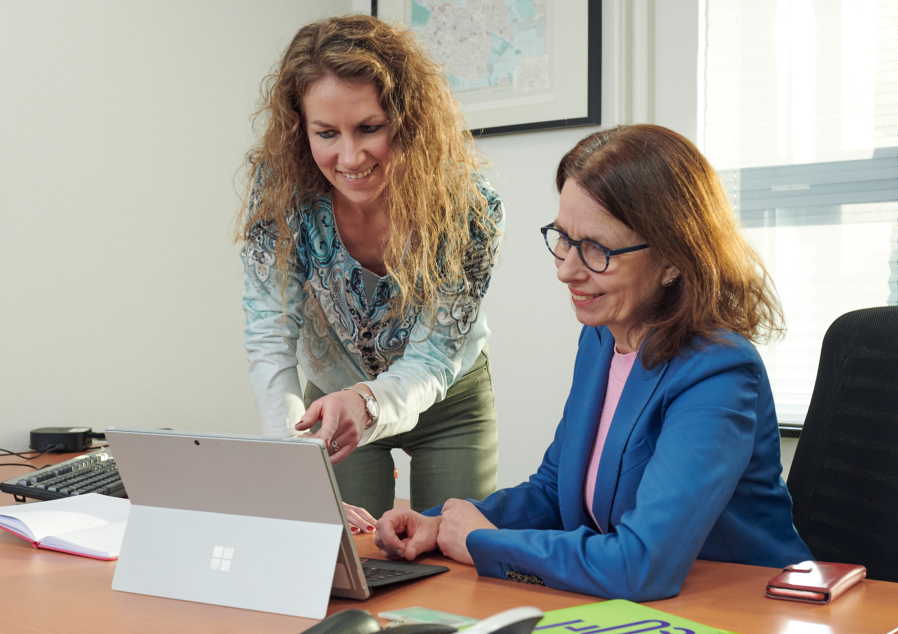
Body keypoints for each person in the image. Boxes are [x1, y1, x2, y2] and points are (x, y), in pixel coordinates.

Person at [374, 124, 813, 601]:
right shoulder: (602, 336)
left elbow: (640, 565)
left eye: (597, 250)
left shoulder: (718, 371)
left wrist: (482, 542)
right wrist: (441, 524)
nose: (566, 269)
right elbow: (553, 492)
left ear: (672, 260)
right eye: (563, 239)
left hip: (746, 607)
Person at [238, 15, 503, 523]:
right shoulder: (279, 192)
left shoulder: (468, 207)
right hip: (333, 402)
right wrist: (293, 460)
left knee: (451, 551)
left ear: (406, 119)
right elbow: (269, 332)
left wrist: (369, 402)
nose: (351, 156)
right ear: (300, 130)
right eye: (326, 133)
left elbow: (432, 358)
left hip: (449, 398)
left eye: (369, 128)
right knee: (340, 551)